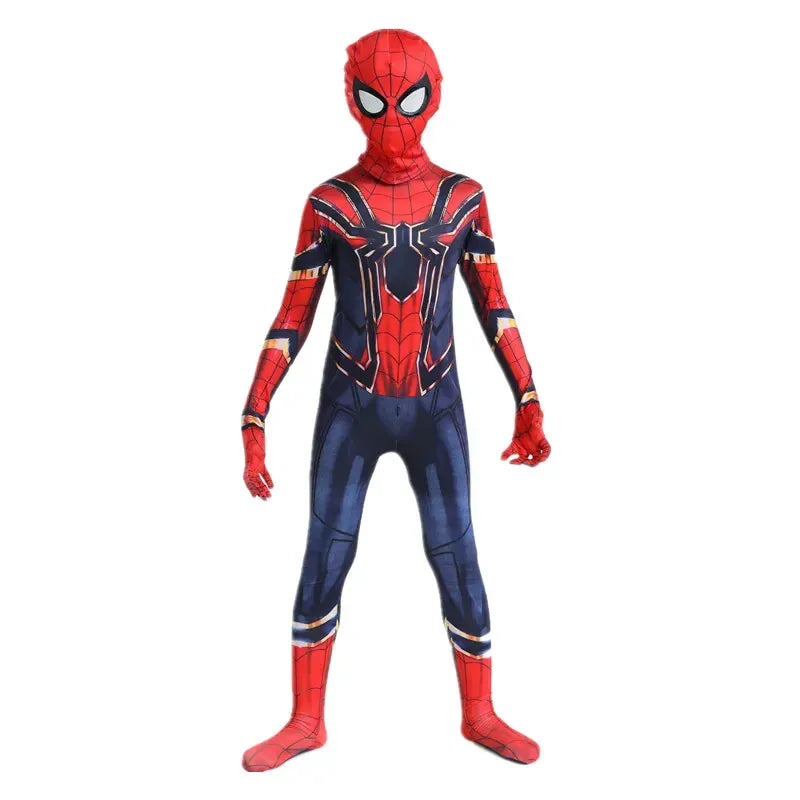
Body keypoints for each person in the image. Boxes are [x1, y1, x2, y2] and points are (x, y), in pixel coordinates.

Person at [241, 29, 551, 771]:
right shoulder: (330, 203)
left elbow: (495, 306)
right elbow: (292, 317)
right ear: (351, 100)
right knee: (326, 553)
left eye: (408, 101)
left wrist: (530, 399)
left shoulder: (464, 199)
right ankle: (306, 720)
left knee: (457, 553)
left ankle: (480, 713)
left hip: (434, 409)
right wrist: (253, 416)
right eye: (374, 101)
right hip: (351, 406)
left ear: (434, 96)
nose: (392, 122)